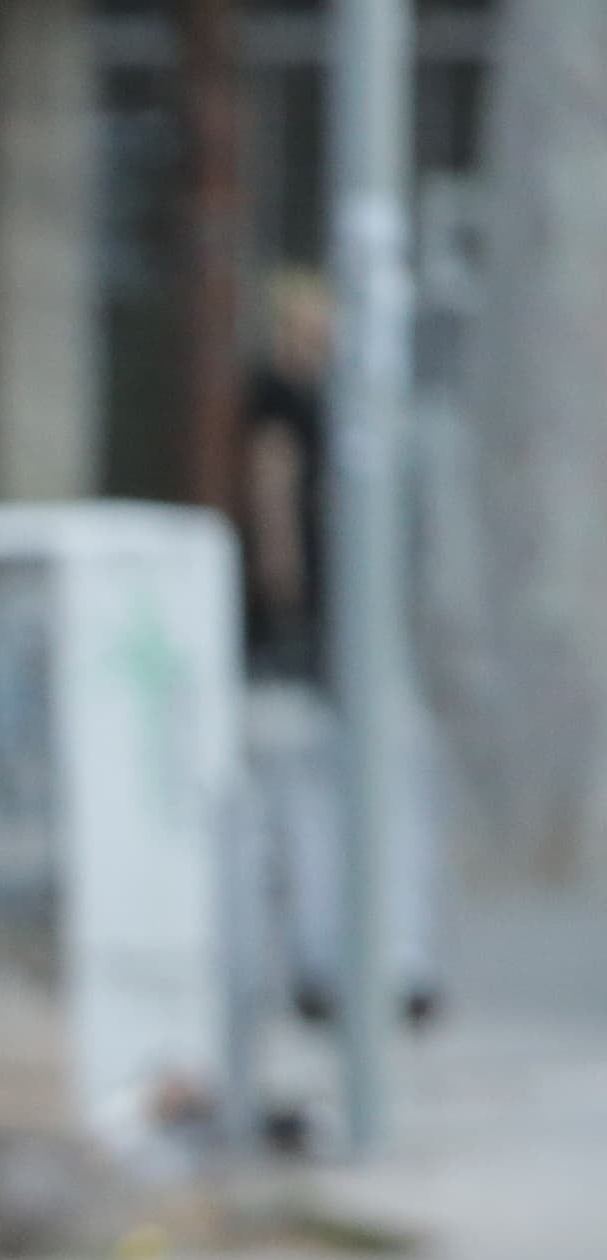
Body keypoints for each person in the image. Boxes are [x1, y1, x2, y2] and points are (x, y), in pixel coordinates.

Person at [233, 264, 437, 1031]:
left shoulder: (335, 401)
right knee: (324, 790)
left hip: (353, 621)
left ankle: (385, 954)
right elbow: (274, 499)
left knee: (371, 781)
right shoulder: (283, 400)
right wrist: (288, 606)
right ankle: (342, 959)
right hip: (322, 629)